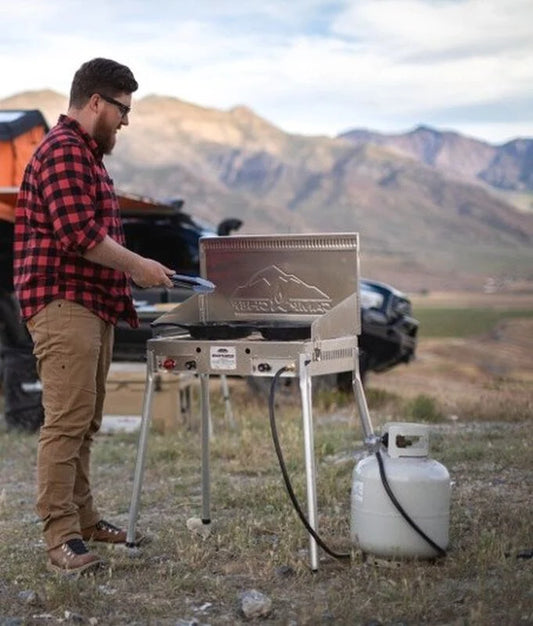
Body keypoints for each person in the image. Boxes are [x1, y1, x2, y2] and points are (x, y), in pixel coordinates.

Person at [13, 58, 174, 575]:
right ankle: (60, 536)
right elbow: (79, 235)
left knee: (84, 423)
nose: (125, 121)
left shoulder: (86, 156)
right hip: (63, 304)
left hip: (89, 304)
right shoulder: (62, 152)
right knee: (65, 425)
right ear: (97, 102)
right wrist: (140, 267)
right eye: (122, 109)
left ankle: (83, 521)